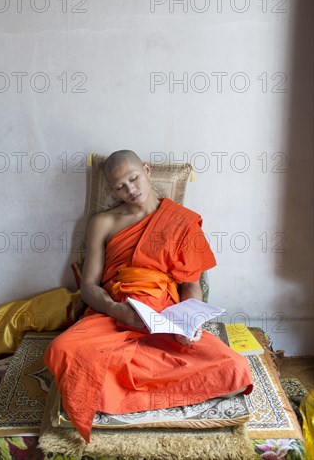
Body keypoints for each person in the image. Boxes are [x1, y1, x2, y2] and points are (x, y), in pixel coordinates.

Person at [44, 150, 253, 443]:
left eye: (134, 178)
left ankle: (115, 392)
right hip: (114, 312)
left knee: (236, 369)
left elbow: (190, 284)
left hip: (164, 316)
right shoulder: (103, 222)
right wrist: (118, 311)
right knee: (61, 350)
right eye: (120, 187)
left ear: (147, 170)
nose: (130, 190)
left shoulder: (181, 221)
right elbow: (90, 286)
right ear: (110, 189)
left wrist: (188, 324)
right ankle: (158, 389)